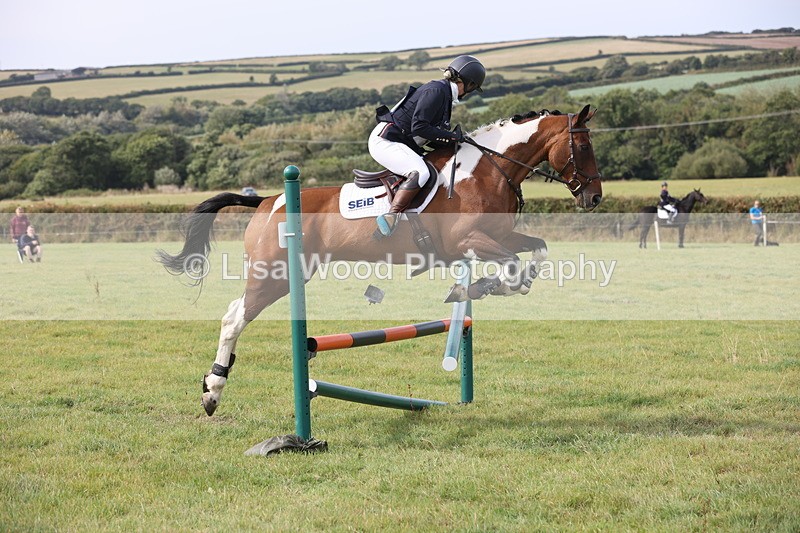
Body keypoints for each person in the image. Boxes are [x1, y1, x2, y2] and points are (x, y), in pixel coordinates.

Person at [369, 55, 486, 236]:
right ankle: (391, 216)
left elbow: (429, 133)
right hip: (386, 141)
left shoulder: (444, 94)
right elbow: (419, 128)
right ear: (469, 84)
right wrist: (451, 137)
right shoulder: (437, 91)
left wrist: (457, 141)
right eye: (472, 88)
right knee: (420, 172)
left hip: (402, 142)